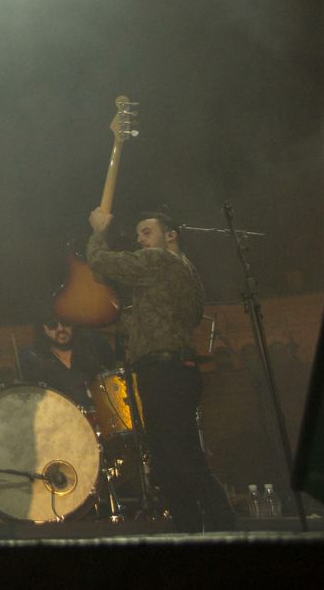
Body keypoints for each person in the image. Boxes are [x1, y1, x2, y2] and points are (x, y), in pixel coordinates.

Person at [86, 209, 236, 533]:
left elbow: (104, 262)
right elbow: (161, 321)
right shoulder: (187, 274)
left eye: (147, 232)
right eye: (139, 234)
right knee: (169, 460)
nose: (140, 240)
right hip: (173, 369)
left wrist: (98, 233)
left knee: (179, 457)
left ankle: (222, 525)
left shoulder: (161, 261)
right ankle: (194, 528)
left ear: (170, 236)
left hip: (165, 371)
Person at [17, 316, 116, 405]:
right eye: (52, 325)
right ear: (43, 329)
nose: (61, 329)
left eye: (65, 322)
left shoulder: (91, 349)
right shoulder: (36, 360)